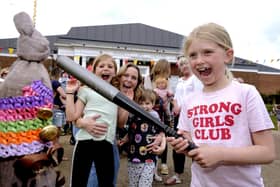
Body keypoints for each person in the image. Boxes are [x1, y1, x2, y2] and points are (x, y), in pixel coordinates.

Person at [167, 22, 276, 187]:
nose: (199, 60)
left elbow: (267, 152)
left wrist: (221, 154)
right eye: (193, 55)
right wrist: (183, 145)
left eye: (207, 52)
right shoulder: (189, 100)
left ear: (228, 55)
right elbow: (187, 138)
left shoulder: (246, 93)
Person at [66, 54, 119, 187]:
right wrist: (70, 93)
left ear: (115, 72)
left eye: (110, 66)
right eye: (101, 66)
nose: (105, 69)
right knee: (79, 181)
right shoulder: (86, 90)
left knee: (106, 182)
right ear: (94, 71)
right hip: (85, 141)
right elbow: (71, 117)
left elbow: (121, 121)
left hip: (106, 142)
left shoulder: (117, 94)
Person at [165, 56, 203, 185]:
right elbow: (176, 97)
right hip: (179, 117)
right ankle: (177, 174)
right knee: (178, 145)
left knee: (194, 144)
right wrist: (175, 105)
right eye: (181, 64)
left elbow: (198, 96)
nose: (184, 66)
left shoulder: (196, 79)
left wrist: (184, 107)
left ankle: (198, 176)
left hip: (192, 117)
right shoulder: (180, 81)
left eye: (186, 63)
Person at [121, 89, 166, 186]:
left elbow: (161, 130)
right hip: (134, 156)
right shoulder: (134, 114)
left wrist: (160, 138)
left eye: (147, 103)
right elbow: (130, 130)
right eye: (141, 103)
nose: (144, 106)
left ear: (153, 104)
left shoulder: (154, 116)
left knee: (144, 184)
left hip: (149, 156)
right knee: (134, 183)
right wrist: (125, 138)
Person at [144, 59, 171, 179]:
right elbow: (146, 96)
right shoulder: (148, 78)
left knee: (162, 137)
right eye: (167, 70)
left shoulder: (167, 81)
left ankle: (161, 164)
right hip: (150, 113)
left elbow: (168, 98)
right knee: (150, 139)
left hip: (162, 114)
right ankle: (150, 169)